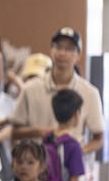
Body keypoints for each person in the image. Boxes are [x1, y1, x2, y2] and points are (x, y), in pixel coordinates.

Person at [10, 27, 104, 155]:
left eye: (69, 48)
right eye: (58, 47)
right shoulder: (30, 88)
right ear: (51, 49)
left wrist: (77, 153)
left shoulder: (89, 92)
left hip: (72, 169)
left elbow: (99, 138)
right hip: (37, 166)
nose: (62, 53)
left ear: (79, 54)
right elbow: (14, 132)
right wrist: (38, 131)